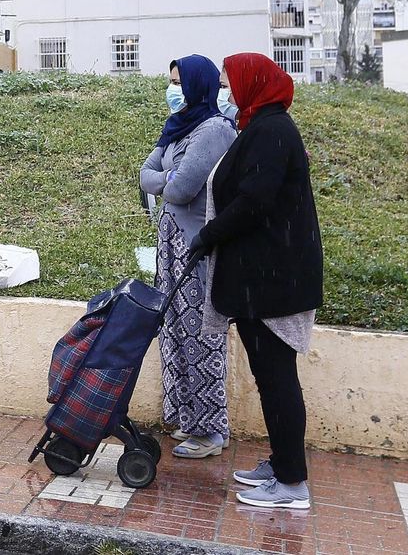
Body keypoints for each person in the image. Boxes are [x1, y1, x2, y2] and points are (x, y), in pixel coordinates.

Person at [188, 52, 323, 510]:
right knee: (271, 379)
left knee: (277, 378)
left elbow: (254, 201)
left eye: (230, 82)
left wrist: (208, 234)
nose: (226, 90)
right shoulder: (261, 127)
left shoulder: (271, 131)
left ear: (251, 83)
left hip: (273, 283)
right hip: (263, 279)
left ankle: (291, 483)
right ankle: (283, 462)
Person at [139, 55, 238, 459]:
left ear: (200, 85)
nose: (173, 89)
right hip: (171, 248)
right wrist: (169, 180)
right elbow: (145, 174)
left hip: (198, 250)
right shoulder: (177, 129)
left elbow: (180, 191)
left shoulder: (214, 130)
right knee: (175, 331)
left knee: (202, 335)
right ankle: (187, 418)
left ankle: (212, 430)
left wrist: (166, 181)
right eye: (170, 81)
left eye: (179, 82)